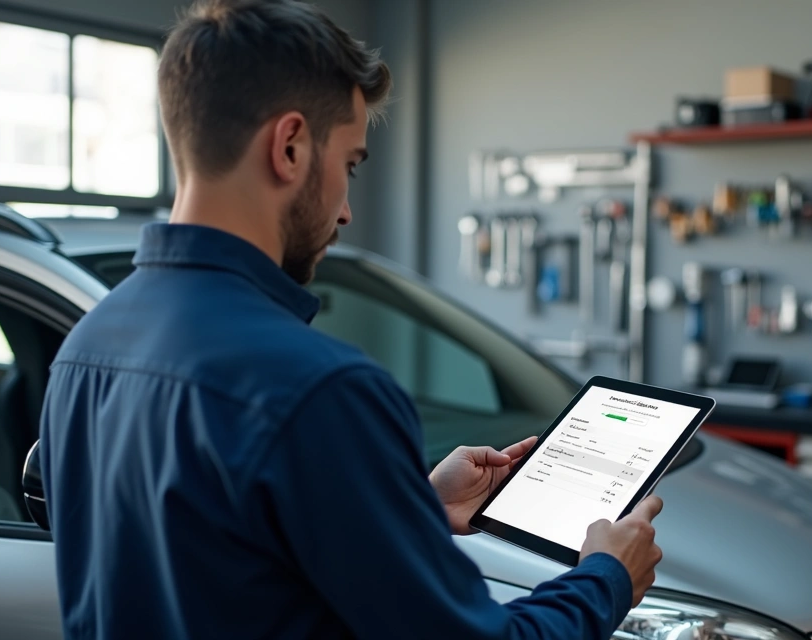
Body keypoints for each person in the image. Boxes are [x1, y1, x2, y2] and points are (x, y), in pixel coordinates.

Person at [38, 1, 665, 639]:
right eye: (351, 166)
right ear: (288, 147)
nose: (346, 211)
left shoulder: (84, 350)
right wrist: (606, 577)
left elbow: (221, 563)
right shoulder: (317, 390)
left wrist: (413, 506)